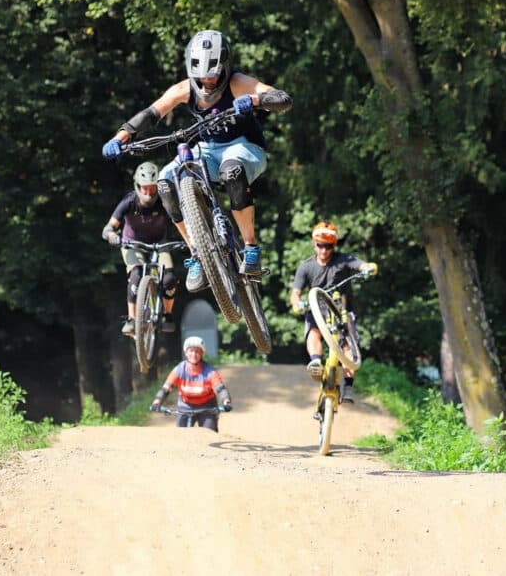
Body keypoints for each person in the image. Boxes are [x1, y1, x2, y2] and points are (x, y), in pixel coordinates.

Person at [102, 29, 292, 292]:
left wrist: (256, 100)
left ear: (225, 68)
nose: (208, 82)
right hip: (208, 149)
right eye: (202, 77)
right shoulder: (184, 89)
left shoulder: (238, 83)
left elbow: (283, 99)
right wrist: (121, 137)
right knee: (166, 182)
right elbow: (151, 113)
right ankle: (196, 254)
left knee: (232, 171)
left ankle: (250, 248)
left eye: (213, 75)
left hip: (245, 147)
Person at [288, 221, 377, 403]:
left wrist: (367, 268)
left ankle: (349, 387)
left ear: (333, 246)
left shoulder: (344, 260)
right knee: (313, 332)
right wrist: (297, 304)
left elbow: (360, 265)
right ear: (314, 244)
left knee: (347, 347)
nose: (324, 251)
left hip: (342, 309)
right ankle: (315, 362)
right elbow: (295, 293)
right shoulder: (306, 266)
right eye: (320, 246)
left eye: (328, 247)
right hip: (317, 308)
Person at [103, 161, 179, 336]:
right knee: (136, 275)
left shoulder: (164, 200)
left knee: (169, 279)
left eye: (152, 188)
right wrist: (112, 236)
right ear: (137, 186)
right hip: (132, 243)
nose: (148, 192)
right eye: (144, 188)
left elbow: (181, 221)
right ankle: (131, 320)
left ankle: (167, 315)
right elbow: (109, 227)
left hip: (160, 243)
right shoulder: (129, 201)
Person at [149, 335, 233, 432]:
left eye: (197, 351)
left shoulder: (210, 371)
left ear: (202, 354)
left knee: (209, 434)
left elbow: (220, 389)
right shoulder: (179, 370)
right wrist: (157, 401)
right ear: (186, 353)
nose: (194, 354)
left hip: (207, 408)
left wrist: (226, 401)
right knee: (181, 436)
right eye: (191, 351)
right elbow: (166, 388)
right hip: (185, 407)